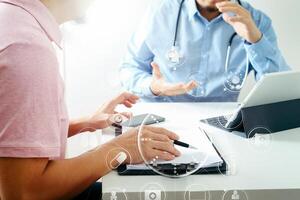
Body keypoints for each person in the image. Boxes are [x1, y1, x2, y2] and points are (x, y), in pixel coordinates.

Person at [0, 0, 181, 199]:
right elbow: (24, 192)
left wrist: (85, 123)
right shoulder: (27, 48)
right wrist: (119, 149)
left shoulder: (12, 21)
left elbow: (13, 138)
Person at [119, 0, 290, 102]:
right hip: (166, 115)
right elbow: (129, 69)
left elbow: (281, 89)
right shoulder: (160, 13)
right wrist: (153, 87)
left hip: (223, 123)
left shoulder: (256, 21)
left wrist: (255, 40)